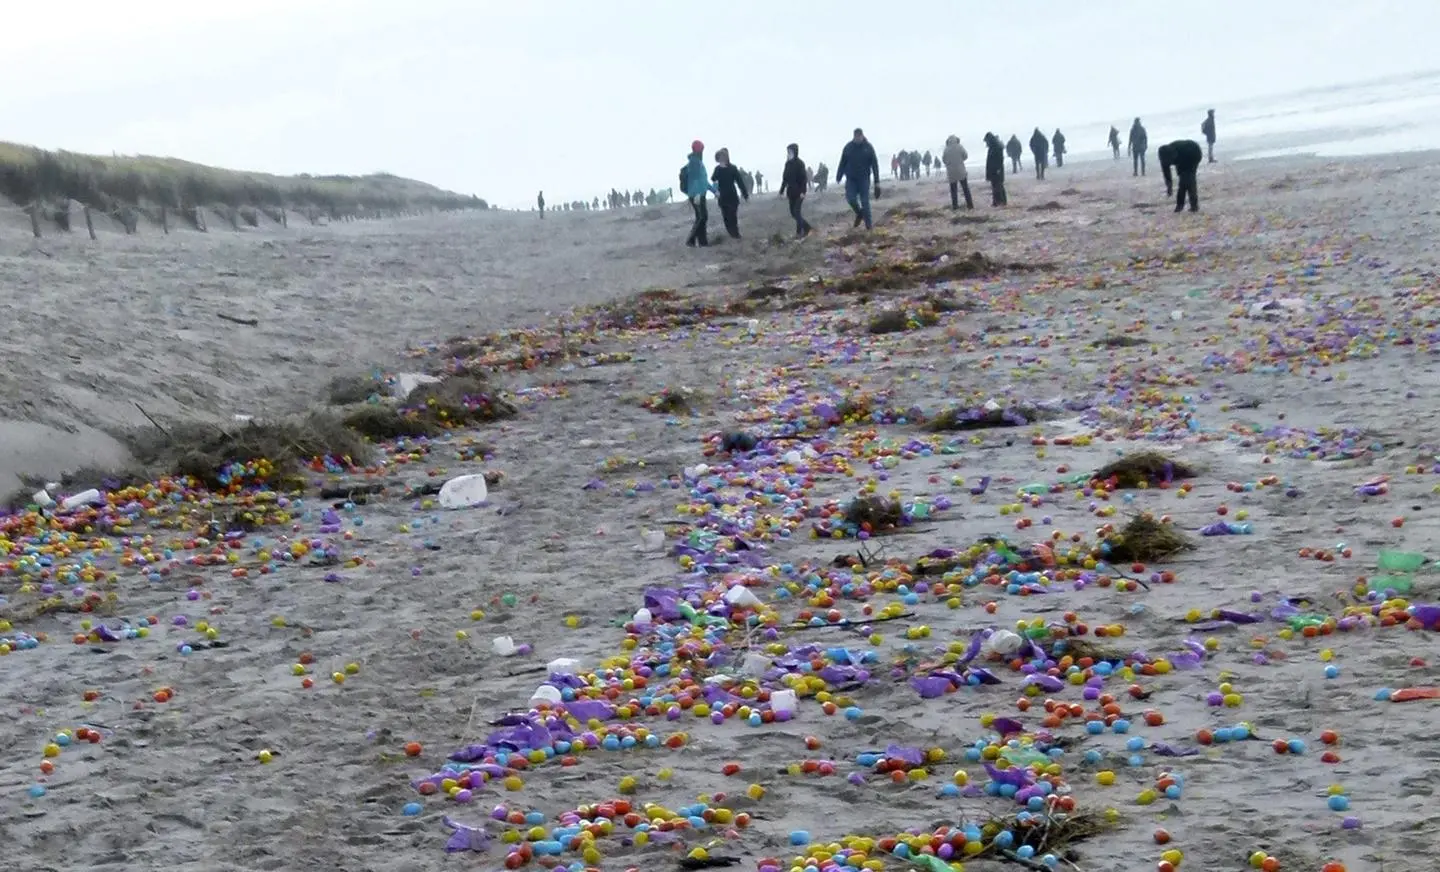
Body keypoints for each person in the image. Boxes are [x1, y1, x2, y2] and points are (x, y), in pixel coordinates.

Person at [836, 127, 881, 230]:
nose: (857, 139)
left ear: (862, 136)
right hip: (851, 179)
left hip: (864, 179)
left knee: (865, 202)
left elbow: (874, 164)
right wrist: (839, 175)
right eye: (855, 137)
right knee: (850, 198)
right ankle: (859, 213)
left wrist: (877, 182)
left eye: (859, 137)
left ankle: (869, 227)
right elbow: (842, 162)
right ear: (853, 136)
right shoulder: (848, 147)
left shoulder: (868, 147)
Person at [681, 140, 717, 247]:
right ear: (699, 150)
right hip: (697, 195)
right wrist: (696, 194)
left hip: (700, 194)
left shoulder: (697, 161)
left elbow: (703, 180)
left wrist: (714, 190)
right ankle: (691, 240)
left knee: (701, 217)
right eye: (702, 149)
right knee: (702, 217)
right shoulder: (694, 162)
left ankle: (702, 242)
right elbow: (695, 179)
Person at [710, 148, 749, 239]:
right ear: (718, 159)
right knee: (726, 217)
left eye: (723, 157)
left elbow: (740, 182)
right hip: (722, 197)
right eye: (719, 157)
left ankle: (736, 233)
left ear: (726, 157)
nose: (721, 159)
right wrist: (715, 191)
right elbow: (713, 179)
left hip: (732, 196)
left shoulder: (733, 168)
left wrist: (745, 194)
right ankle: (731, 233)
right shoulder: (717, 169)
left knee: (733, 215)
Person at [1157, 139, 1203, 212]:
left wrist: (1183, 174)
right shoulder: (1164, 157)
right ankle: (1181, 205)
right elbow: (1166, 173)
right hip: (1182, 160)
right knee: (1183, 182)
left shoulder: (1183, 150)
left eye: (1171, 160)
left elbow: (1184, 169)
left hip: (1194, 154)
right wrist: (1169, 186)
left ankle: (1193, 206)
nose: (1170, 162)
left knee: (1188, 181)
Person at [779, 143, 813, 237]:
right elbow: (785, 178)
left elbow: (804, 179)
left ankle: (803, 231)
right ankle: (804, 229)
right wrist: (781, 191)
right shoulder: (787, 164)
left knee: (796, 212)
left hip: (799, 193)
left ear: (795, 152)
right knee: (793, 213)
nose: (788, 153)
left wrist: (803, 192)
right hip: (791, 193)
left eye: (790, 151)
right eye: (787, 152)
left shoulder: (800, 163)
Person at [942, 135, 972, 210]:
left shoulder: (946, 149)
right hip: (961, 170)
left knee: (953, 190)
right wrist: (960, 160)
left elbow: (944, 160)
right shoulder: (959, 146)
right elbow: (965, 156)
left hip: (951, 172)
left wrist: (950, 164)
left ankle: (955, 206)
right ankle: (970, 205)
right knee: (965, 189)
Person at [983, 132, 1007, 206]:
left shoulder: (995, 146)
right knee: (997, 185)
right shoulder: (994, 146)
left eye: (986, 141)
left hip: (996, 169)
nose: (986, 143)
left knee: (997, 185)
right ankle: (998, 201)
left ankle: (999, 201)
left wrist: (998, 168)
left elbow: (999, 158)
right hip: (995, 168)